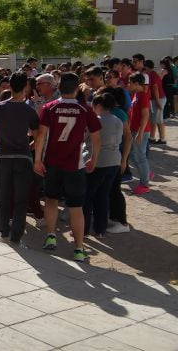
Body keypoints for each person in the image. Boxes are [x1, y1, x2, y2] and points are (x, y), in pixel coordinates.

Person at [34, 73, 101, 263]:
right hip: (75, 164)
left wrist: (37, 160)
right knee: (75, 207)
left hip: (53, 162)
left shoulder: (49, 107)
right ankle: (79, 248)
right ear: (76, 88)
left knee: (51, 200)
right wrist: (94, 160)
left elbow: (41, 136)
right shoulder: (85, 109)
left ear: (59, 87)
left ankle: (51, 236)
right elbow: (97, 138)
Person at [0, 72, 39, 245]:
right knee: (21, 199)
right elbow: (37, 136)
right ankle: (16, 237)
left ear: (9, 86)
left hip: (3, 156)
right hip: (23, 157)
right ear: (26, 86)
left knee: (2, 196)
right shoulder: (29, 110)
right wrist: (29, 145)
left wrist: (2, 142)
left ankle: (3, 233)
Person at [84, 93, 124, 238]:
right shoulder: (118, 120)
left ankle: (83, 230)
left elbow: (85, 138)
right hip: (114, 161)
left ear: (99, 105)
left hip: (96, 161)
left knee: (87, 197)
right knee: (103, 196)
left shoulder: (95, 120)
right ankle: (100, 229)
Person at [127, 73, 151, 195]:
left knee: (140, 157)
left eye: (130, 82)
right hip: (135, 129)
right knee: (132, 155)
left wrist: (140, 133)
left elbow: (145, 115)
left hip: (141, 131)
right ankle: (146, 172)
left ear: (136, 84)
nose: (128, 84)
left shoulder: (143, 96)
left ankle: (144, 184)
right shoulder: (136, 93)